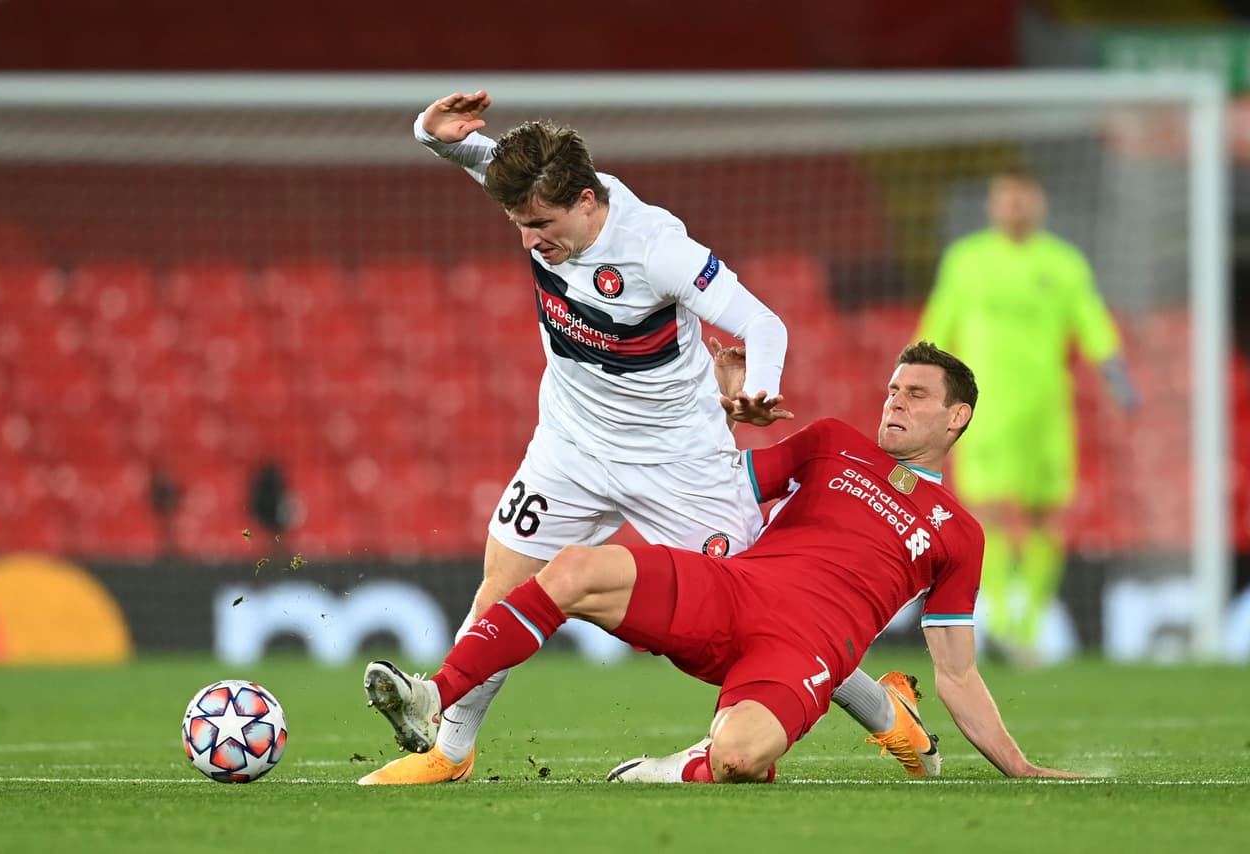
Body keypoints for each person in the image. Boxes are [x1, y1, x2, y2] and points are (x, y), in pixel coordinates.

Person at [360, 90, 935, 784]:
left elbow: (764, 325)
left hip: (679, 461)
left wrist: (760, 389)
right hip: (570, 444)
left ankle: (888, 713)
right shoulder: (541, 204)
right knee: (500, 593)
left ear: (586, 201)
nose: (529, 241)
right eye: (517, 224)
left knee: (776, 621)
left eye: (540, 224)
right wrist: (430, 132)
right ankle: (448, 752)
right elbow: (472, 155)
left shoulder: (657, 248)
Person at [362, 341, 1077, 782]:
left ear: (956, 419)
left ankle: (677, 770)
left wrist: (1017, 763)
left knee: (740, 757)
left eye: (916, 394)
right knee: (576, 566)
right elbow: (716, 480)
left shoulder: (960, 532)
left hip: (806, 648)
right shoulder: (830, 442)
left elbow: (956, 668)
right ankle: (436, 694)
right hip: (734, 589)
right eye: (892, 388)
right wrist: (721, 406)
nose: (894, 401)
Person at [916, 169, 1137, 666]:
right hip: (984, 409)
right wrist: (918, 381)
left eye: (1023, 198)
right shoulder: (966, 261)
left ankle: (1028, 627)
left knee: (1043, 515)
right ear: (994, 205)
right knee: (988, 511)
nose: (1015, 207)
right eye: (1005, 199)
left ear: (1039, 203)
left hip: (1046, 412)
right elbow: (940, 322)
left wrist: (1118, 379)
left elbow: (1093, 323)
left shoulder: (1063, 263)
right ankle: (1003, 619)